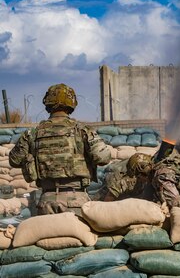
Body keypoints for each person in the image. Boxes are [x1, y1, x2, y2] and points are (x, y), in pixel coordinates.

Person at [9, 83, 111, 216]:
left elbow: (14, 160)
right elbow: (103, 157)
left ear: (47, 103)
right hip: (76, 199)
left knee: (46, 236)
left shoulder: (32, 133)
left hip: (47, 200)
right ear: (72, 103)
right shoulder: (82, 130)